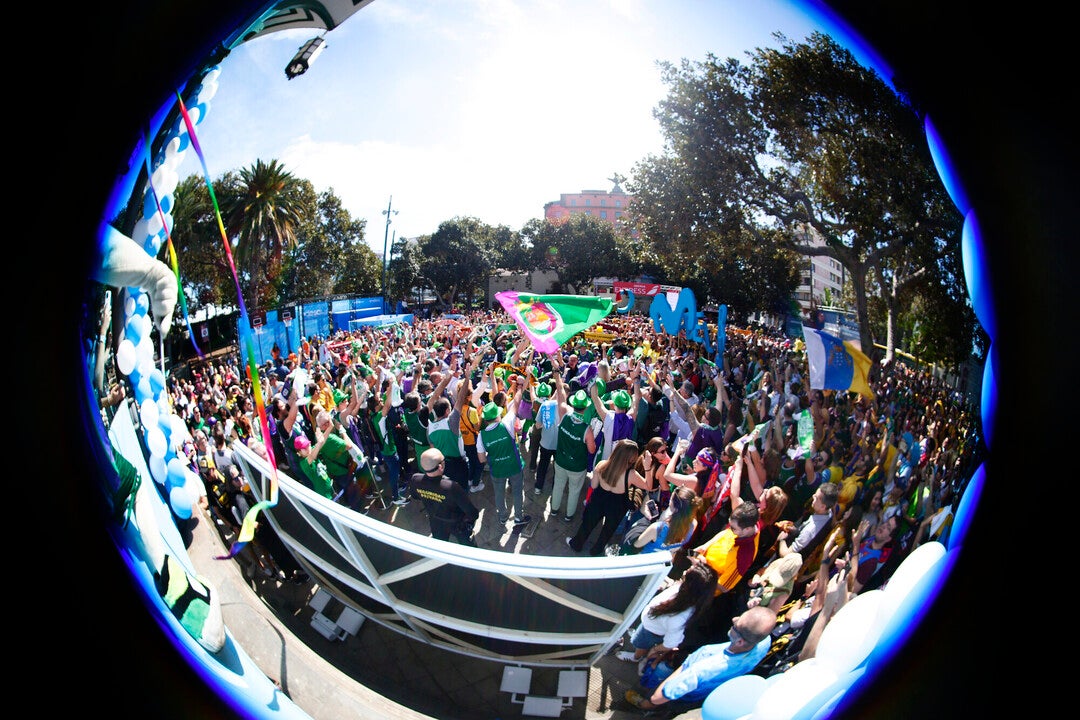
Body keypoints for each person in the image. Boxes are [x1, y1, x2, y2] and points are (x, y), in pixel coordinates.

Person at [624, 606, 778, 711]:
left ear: (740, 641)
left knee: (661, 702)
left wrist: (681, 670)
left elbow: (662, 695)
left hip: (685, 692)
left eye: (737, 624)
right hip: (705, 693)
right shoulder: (764, 642)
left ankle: (645, 707)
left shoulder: (705, 665)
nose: (734, 619)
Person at [615, 559, 719, 664]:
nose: (683, 572)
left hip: (650, 631)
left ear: (689, 587)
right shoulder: (689, 596)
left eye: (685, 576)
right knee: (642, 639)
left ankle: (636, 657)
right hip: (650, 626)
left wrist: (655, 650)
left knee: (640, 644)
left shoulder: (678, 618)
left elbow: (672, 642)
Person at [567, 439, 641, 556]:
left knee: (588, 523)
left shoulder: (602, 465)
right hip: (618, 503)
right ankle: (596, 550)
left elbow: (593, 485)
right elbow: (648, 486)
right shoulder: (631, 474)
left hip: (599, 498)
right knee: (608, 530)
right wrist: (646, 467)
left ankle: (576, 544)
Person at [476, 381, 531, 528]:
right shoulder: (506, 423)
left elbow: (481, 459)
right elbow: (517, 402)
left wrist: (494, 456)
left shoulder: (481, 436)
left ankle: (502, 517)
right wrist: (520, 388)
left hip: (497, 469)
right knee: (518, 492)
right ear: (497, 416)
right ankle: (518, 517)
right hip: (514, 465)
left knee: (499, 493)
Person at [409, 447, 480, 546]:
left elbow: (415, 496)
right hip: (457, 523)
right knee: (468, 547)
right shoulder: (452, 487)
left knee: (440, 547)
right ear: (440, 466)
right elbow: (473, 513)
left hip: (435, 521)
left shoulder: (415, 479)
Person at [549, 371, 592, 524]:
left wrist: (557, 374)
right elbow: (592, 450)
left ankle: (554, 510)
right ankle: (569, 515)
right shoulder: (588, 429)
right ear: (586, 407)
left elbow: (560, 393)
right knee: (574, 491)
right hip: (577, 467)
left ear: (573, 403)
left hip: (560, 461)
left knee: (558, 486)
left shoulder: (564, 414)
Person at [622, 485, 701, 555]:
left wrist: (647, 519)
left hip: (644, 562)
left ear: (674, 508)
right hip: (661, 565)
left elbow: (635, 545)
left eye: (671, 499)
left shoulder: (657, 528)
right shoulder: (694, 524)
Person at [530, 380, 559, 496]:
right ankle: (554, 488)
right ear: (549, 394)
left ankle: (533, 468)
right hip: (553, 439)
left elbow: (537, 424)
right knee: (556, 466)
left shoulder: (536, 402)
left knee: (538, 457)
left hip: (540, 435)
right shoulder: (553, 404)